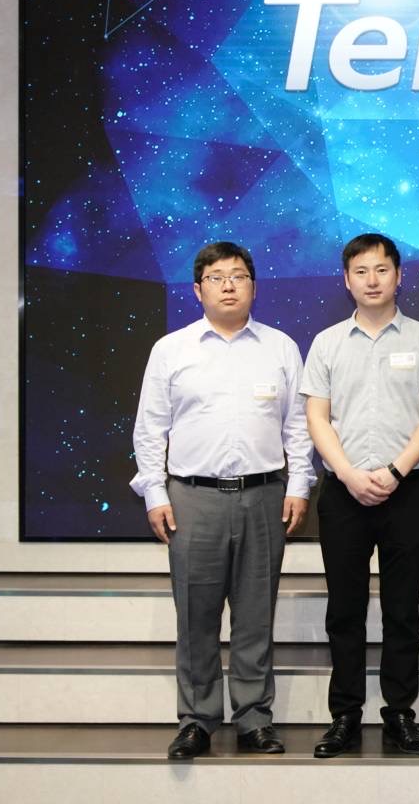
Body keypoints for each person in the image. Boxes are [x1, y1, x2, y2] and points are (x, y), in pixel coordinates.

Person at [131, 241, 314, 759]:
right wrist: (154, 492)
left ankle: (254, 718)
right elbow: (150, 428)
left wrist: (299, 485)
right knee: (196, 616)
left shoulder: (280, 347)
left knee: (256, 615)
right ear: (198, 289)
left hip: (264, 496)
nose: (228, 285)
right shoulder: (172, 350)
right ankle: (197, 720)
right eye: (216, 277)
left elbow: (298, 426)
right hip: (193, 498)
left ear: (254, 286)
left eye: (238, 276)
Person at [302, 233, 419, 758]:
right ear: (347, 280)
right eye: (361, 271)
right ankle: (345, 716)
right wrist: (347, 473)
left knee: (402, 609)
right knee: (344, 609)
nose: (372, 280)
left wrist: (394, 470)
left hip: (405, 490)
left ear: (398, 275)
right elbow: (316, 417)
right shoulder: (326, 343)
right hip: (343, 492)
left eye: (381, 269)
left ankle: (400, 715)